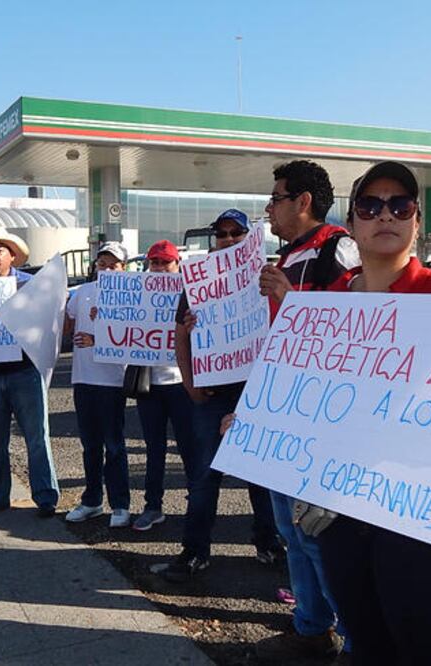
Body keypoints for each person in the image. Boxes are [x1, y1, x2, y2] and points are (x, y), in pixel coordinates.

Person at [318, 161, 431, 665]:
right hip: (341, 509)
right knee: (367, 648)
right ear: (351, 223)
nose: (386, 215)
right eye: (370, 206)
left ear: (417, 222)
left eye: (400, 206)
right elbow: (299, 390)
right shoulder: (327, 304)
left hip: (424, 510)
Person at [254, 159, 360, 661]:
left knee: (317, 532)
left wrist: (289, 296)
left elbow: (355, 329)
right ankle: (312, 627)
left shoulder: (338, 248)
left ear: (303, 202)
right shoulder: (289, 254)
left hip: (320, 416)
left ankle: (357, 641)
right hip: (282, 410)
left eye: (275, 198)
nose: (268, 209)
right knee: (291, 531)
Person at [158, 209, 284, 582]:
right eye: (222, 233)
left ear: (248, 237)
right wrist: (189, 384)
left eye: (235, 233)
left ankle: (268, 542)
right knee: (203, 474)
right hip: (212, 394)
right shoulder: (199, 282)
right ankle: (195, 551)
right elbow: (180, 336)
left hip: (256, 393)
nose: (228, 239)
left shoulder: (267, 278)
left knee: (261, 474)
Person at [0, 227, 60, 517]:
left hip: (25, 372)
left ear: (13, 256)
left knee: (37, 438)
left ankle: (45, 496)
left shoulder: (30, 285)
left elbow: (52, 321)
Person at [64, 241, 132, 528]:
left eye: (113, 265)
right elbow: (66, 324)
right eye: (102, 264)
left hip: (112, 380)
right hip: (83, 378)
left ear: (123, 268)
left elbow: (134, 336)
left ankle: (120, 504)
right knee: (90, 445)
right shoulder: (82, 292)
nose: (107, 270)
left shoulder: (131, 294)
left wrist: (99, 336)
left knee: (114, 445)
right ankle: (92, 500)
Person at [131, 240, 197, 532]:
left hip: (182, 383)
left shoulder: (192, 293)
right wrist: (102, 319)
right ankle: (152, 506)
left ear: (177, 264)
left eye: (165, 262)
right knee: (154, 449)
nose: (158, 268)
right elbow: (120, 327)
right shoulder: (137, 293)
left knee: (189, 447)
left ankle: (197, 504)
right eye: (154, 262)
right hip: (150, 385)